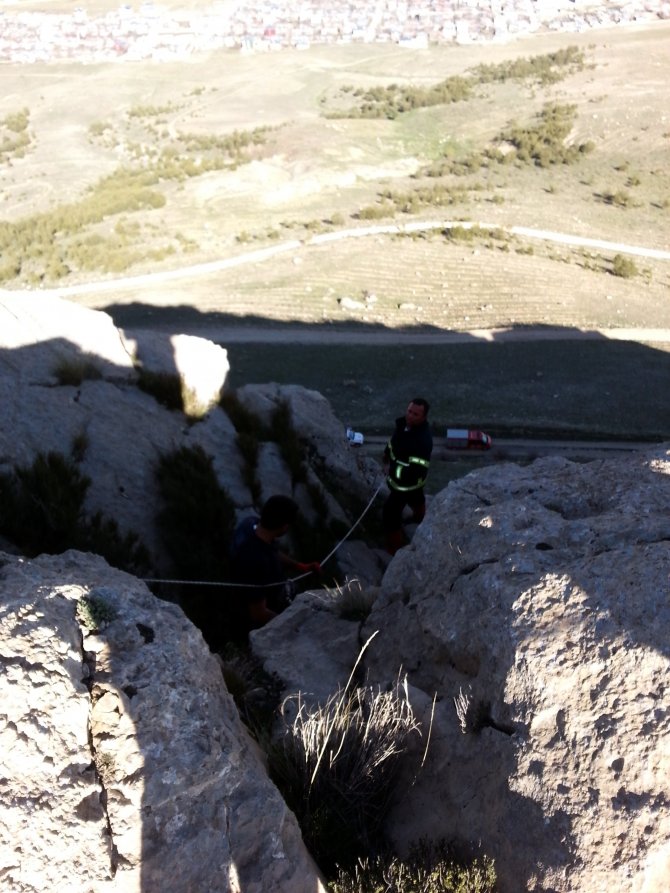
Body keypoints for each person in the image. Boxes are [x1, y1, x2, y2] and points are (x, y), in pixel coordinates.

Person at [228, 494, 320, 636]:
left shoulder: (251, 525)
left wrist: (301, 566)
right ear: (284, 526)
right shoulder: (256, 562)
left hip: (265, 590)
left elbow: (272, 551)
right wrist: (290, 625)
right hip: (261, 611)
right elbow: (258, 613)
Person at [382, 398, 433, 555]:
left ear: (423, 417)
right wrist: (386, 456)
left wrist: (395, 472)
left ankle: (395, 550)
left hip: (404, 485)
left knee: (390, 513)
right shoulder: (402, 426)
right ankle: (420, 518)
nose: (410, 416)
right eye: (409, 411)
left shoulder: (422, 441)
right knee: (417, 499)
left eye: (415, 414)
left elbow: (417, 469)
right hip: (408, 484)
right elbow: (392, 444)